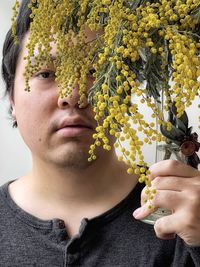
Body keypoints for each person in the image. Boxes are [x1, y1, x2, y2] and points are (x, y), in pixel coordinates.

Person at [1, 0, 200, 266]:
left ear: (126, 92)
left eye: (96, 71)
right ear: (11, 98)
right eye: (46, 73)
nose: (73, 95)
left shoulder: (185, 222)